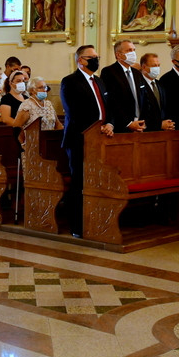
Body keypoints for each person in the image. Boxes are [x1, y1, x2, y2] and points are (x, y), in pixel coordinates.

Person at [60, 45, 115, 238]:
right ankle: (77, 225)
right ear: (81, 60)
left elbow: (107, 107)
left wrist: (109, 123)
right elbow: (73, 112)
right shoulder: (70, 82)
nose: (96, 60)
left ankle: (96, 220)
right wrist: (95, 127)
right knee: (80, 182)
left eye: (97, 56)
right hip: (79, 140)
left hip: (100, 139)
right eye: (92, 57)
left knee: (96, 181)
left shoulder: (99, 81)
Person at [101, 39, 151, 133]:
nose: (133, 53)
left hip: (140, 126)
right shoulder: (109, 72)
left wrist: (143, 121)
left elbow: (145, 98)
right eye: (129, 50)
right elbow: (112, 101)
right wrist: (128, 123)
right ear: (118, 55)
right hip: (121, 127)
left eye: (133, 50)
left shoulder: (137, 73)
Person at [139, 53, 175, 131]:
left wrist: (167, 123)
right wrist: (158, 124)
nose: (157, 68)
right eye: (154, 66)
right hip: (145, 131)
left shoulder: (160, 85)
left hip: (161, 132)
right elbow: (141, 112)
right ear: (144, 67)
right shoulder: (138, 85)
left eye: (158, 65)